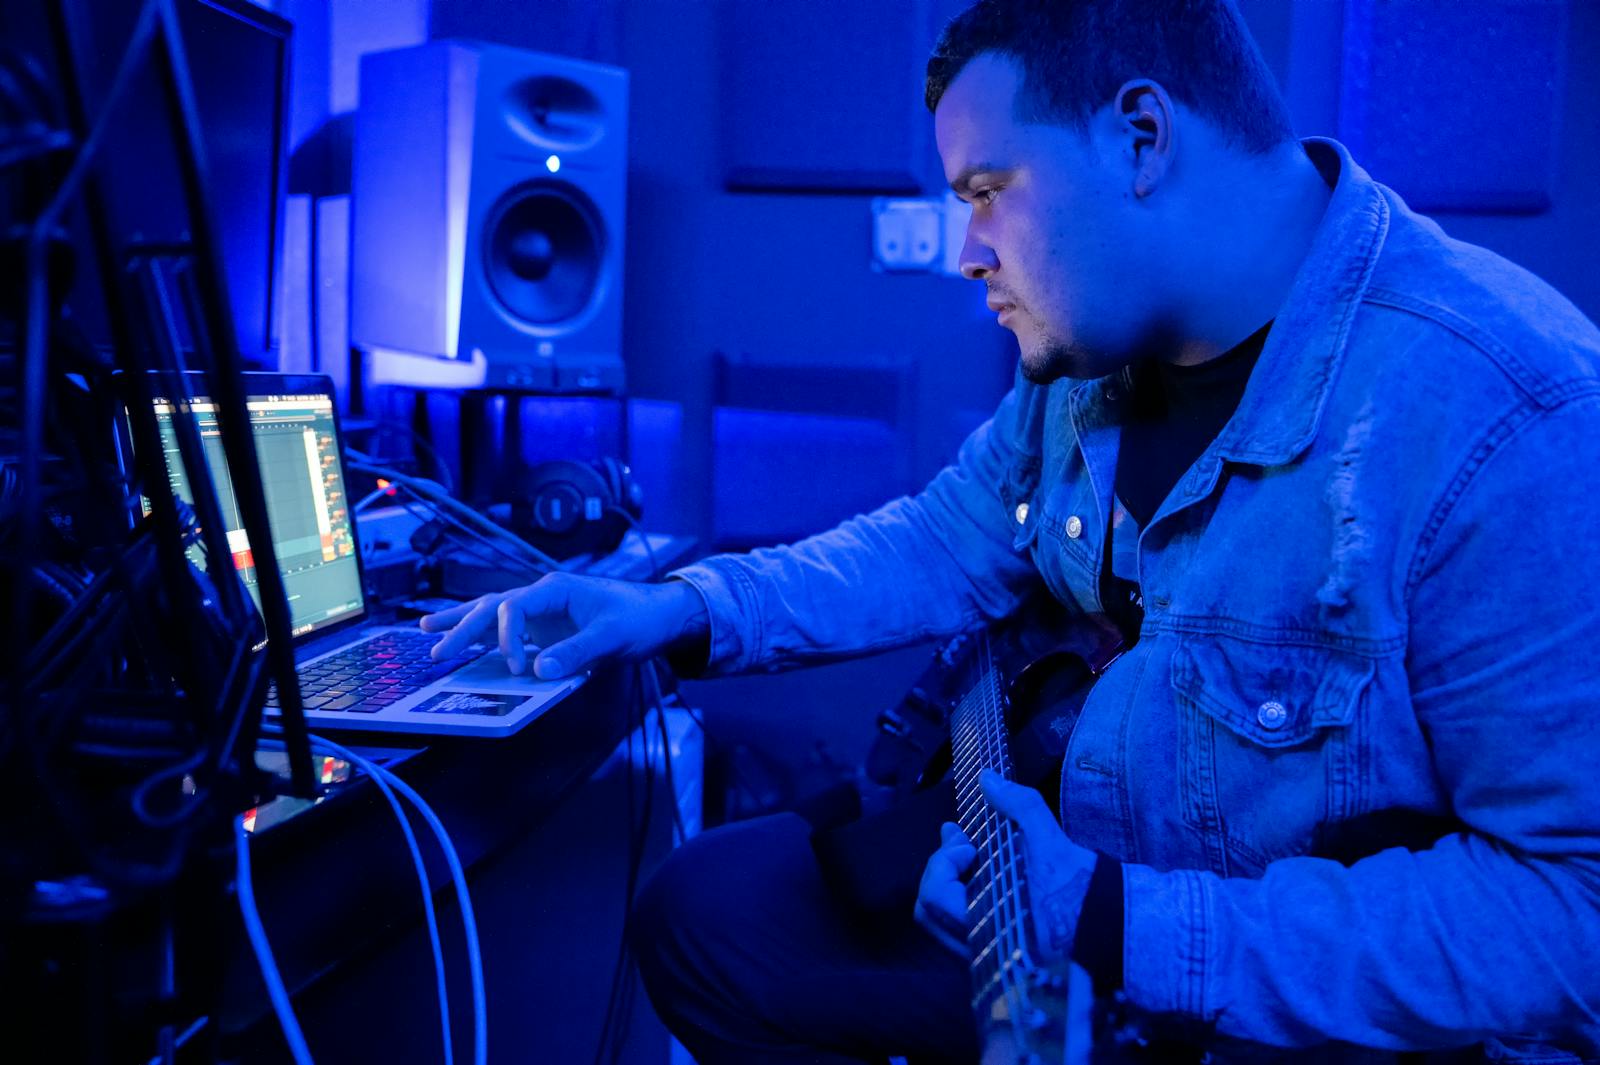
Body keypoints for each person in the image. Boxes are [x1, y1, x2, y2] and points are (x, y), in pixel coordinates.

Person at [421, 0, 1600, 1061]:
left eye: (987, 192)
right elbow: (948, 535)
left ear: (1141, 139)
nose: (968, 250)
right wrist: (682, 607)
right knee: (701, 914)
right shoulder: (1088, 347)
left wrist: (1108, 923)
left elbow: (1571, 918)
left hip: (1253, 992)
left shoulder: (1515, 417)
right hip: (1067, 886)